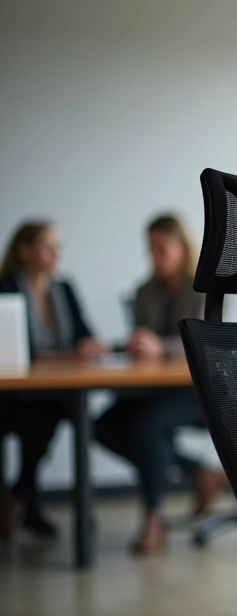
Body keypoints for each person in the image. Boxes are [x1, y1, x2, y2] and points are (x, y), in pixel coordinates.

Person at [94, 214, 225, 554]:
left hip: (198, 390)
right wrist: (116, 346)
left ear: (182, 248)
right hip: (155, 389)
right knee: (103, 426)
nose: (154, 256)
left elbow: (204, 340)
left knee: (147, 424)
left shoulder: (204, 288)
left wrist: (159, 346)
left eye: (161, 248)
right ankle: (199, 472)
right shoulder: (143, 291)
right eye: (150, 249)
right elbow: (143, 342)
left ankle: (153, 519)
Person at [0, 221, 108, 540]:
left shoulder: (63, 288)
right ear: (25, 250)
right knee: (40, 421)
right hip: (15, 393)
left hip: (56, 391)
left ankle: (19, 497)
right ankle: (24, 501)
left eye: (58, 246)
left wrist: (89, 345)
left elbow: (84, 335)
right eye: (48, 245)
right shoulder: (5, 288)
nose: (56, 253)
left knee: (78, 417)